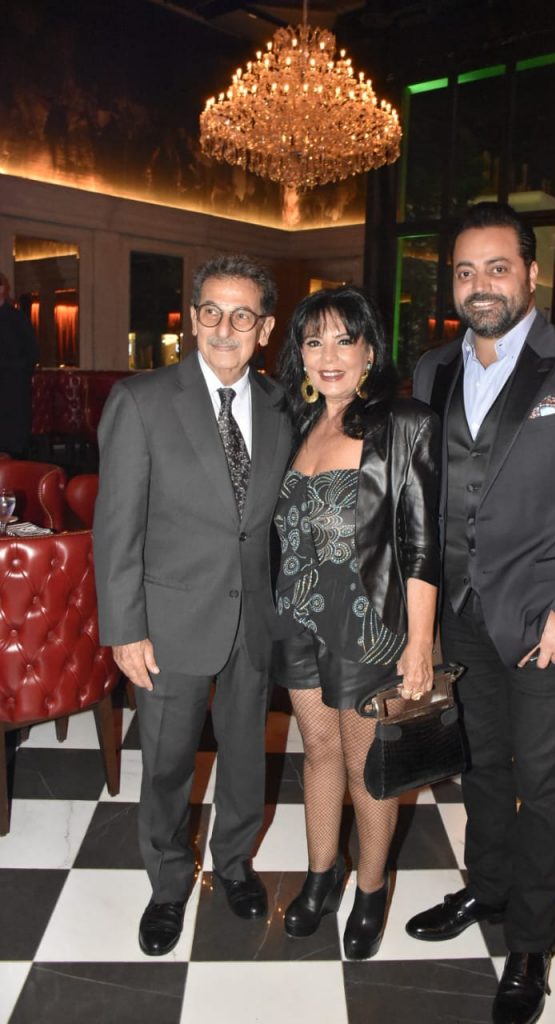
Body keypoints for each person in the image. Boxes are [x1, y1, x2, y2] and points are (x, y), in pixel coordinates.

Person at [405, 202, 555, 1024]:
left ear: (532, 274)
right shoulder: (431, 370)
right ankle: (487, 888)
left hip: (548, 621)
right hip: (461, 613)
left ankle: (531, 943)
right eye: (465, 271)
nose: (480, 285)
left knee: (544, 785)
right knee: (481, 767)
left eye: (497, 267)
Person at [93, 254, 293, 956]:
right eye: (211, 311)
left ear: (264, 328)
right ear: (192, 320)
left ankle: (234, 863)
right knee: (168, 763)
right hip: (168, 624)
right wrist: (125, 630)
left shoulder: (281, 406)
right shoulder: (141, 401)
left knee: (244, 755)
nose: (224, 328)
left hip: (253, 619)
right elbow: (116, 528)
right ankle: (169, 883)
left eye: (242, 315)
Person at [272, 285, 441, 960]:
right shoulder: (297, 422)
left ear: (371, 351)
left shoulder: (404, 424)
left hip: (369, 624)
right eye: (314, 342)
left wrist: (420, 644)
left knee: (367, 763)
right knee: (316, 750)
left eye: (345, 340)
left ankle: (370, 886)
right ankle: (322, 874)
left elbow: (422, 543)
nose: (329, 355)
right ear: (300, 355)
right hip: (297, 617)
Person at [0, 271, 39, 458]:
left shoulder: (17, 319)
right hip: (11, 383)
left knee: (11, 444)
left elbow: (31, 355)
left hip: (12, 389)